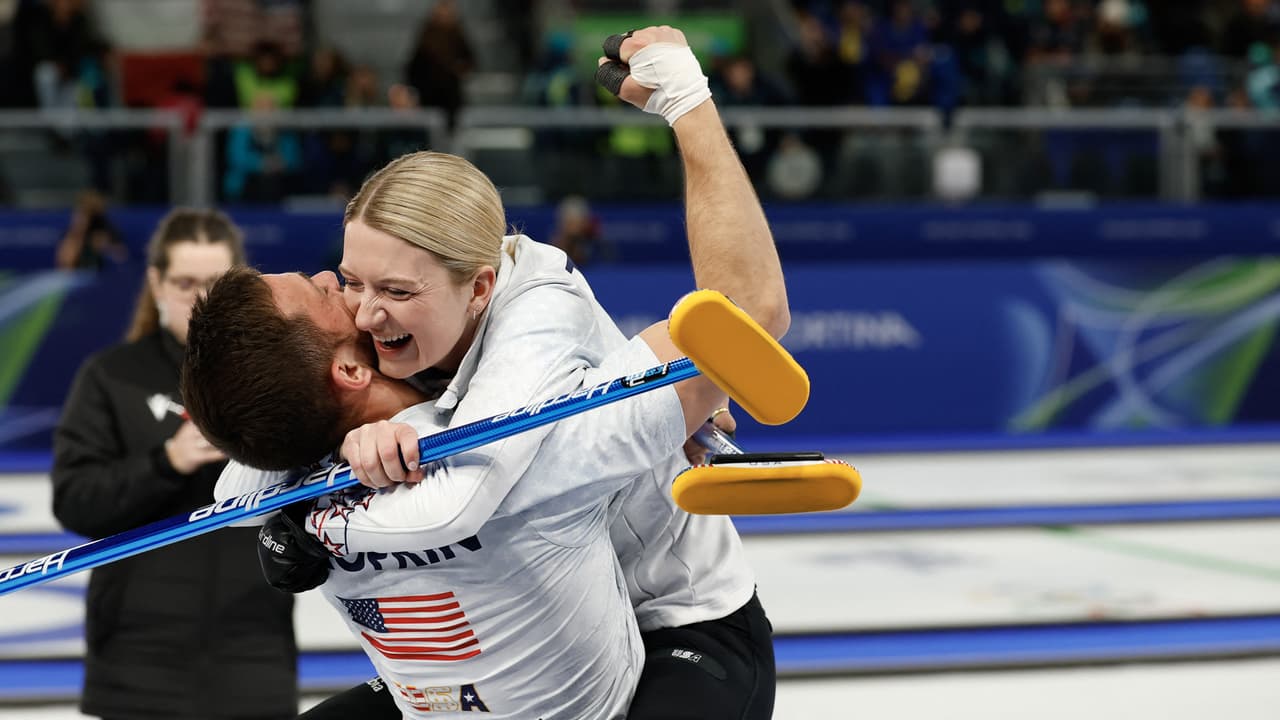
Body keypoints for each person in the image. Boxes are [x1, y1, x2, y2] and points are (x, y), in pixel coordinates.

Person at [196, 24, 784, 720]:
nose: (367, 313)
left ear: (479, 289)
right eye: (350, 283)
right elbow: (258, 439)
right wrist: (292, 499)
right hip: (517, 638)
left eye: (398, 293)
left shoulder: (534, 317)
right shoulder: (366, 339)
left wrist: (688, 101)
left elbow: (745, 321)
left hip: (671, 615)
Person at [51, 208, 299, 720]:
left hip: (255, 656)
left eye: (216, 283)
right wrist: (167, 461)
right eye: (186, 282)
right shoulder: (111, 376)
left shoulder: (282, 377)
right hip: (137, 664)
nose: (200, 298)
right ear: (156, 283)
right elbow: (75, 500)